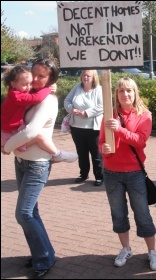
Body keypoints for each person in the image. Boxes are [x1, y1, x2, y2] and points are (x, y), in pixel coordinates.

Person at [1, 58, 76, 279]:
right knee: (31, 212)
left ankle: (45, 257)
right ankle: (42, 253)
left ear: (51, 79)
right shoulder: (29, 96)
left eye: (42, 76)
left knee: (23, 214)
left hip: (37, 164)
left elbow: (32, 131)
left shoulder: (48, 100)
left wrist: (7, 146)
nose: (35, 79)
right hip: (22, 161)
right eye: (34, 73)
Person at [99, 77, 156, 271]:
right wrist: (104, 148)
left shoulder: (145, 115)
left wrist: (120, 130)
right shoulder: (109, 115)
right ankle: (126, 248)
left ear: (135, 93)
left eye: (129, 91)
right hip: (111, 173)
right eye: (120, 91)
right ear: (116, 94)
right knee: (118, 214)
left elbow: (140, 141)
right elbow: (101, 141)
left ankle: (152, 251)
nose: (124, 94)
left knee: (142, 214)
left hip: (134, 173)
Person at [1, 64, 78, 163]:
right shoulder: (17, 95)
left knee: (39, 136)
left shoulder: (21, 92)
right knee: (37, 136)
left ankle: (57, 154)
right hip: (12, 139)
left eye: (41, 76)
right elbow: (35, 97)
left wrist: (51, 86)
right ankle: (57, 154)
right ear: (13, 84)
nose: (30, 86)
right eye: (34, 75)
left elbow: (30, 132)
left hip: (36, 162)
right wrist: (48, 89)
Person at [64, 69, 104, 186]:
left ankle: (99, 176)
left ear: (94, 77)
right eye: (84, 75)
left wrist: (86, 113)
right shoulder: (77, 88)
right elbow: (67, 101)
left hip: (93, 128)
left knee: (96, 154)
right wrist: (72, 109)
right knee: (82, 153)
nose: (85, 77)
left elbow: (102, 106)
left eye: (88, 76)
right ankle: (83, 174)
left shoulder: (98, 90)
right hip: (76, 127)